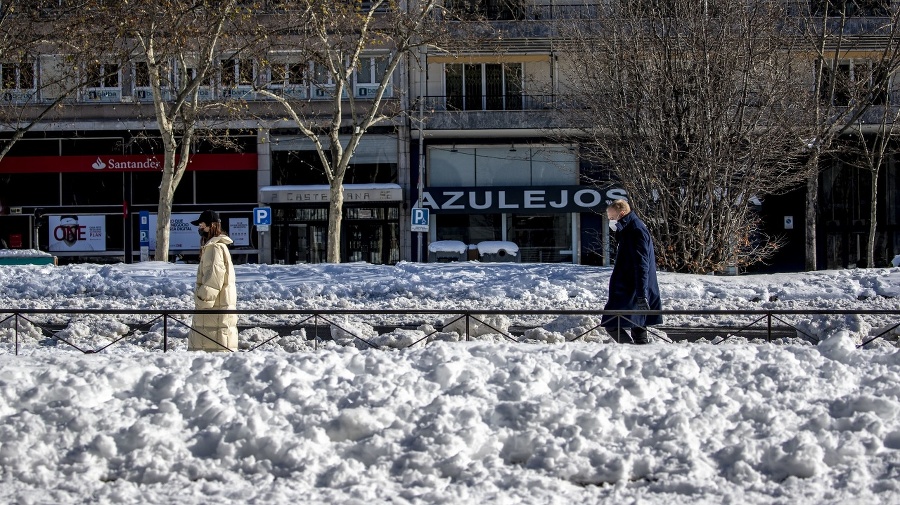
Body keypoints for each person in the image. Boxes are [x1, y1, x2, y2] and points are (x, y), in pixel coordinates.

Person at [601, 199, 662, 344]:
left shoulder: (635, 230)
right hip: (634, 288)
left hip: (632, 290)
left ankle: (631, 353)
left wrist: (642, 295)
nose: (610, 222)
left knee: (611, 323)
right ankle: (640, 356)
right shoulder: (629, 229)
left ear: (622, 214)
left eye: (611, 218)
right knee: (638, 327)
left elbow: (642, 265)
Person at [188, 210, 238, 352]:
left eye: (201, 224)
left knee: (207, 357)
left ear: (211, 225)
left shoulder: (213, 248)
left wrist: (201, 299)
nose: (199, 228)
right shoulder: (219, 246)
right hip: (219, 307)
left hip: (212, 311)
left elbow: (213, 278)